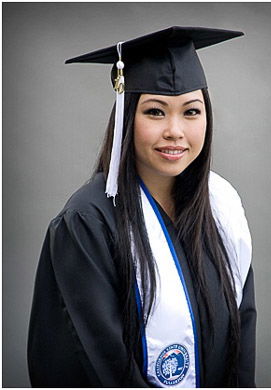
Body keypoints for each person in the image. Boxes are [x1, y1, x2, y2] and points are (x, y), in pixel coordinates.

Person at [28, 27, 256, 387]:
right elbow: (98, 361)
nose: (175, 130)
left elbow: (242, 329)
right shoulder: (87, 223)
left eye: (191, 112)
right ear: (125, 119)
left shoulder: (220, 204)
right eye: (155, 112)